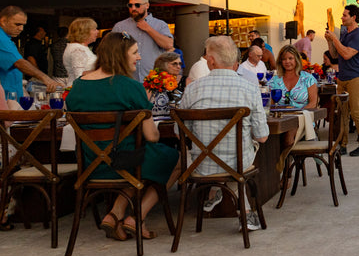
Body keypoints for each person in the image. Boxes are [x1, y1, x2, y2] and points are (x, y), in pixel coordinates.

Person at [65, 32, 180, 240]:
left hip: (91, 163)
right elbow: (152, 136)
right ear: (119, 55)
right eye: (135, 52)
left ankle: (115, 214)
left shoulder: (78, 87)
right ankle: (136, 218)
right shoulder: (131, 87)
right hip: (124, 162)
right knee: (174, 159)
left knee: (135, 157)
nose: (139, 57)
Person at [179, 36, 269, 229]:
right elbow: (262, 136)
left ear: (211, 61)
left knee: (219, 154)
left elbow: (179, 132)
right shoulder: (250, 89)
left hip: (200, 165)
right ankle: (244, 212)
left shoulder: (192, 89)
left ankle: (214, 191)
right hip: (237, 164)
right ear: (235, 62)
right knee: (244, 152)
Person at [324, 5, 359, 156]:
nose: (342, 18)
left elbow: (346, 55)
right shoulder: (345, 34)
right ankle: (342, 144)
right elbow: (335, 55)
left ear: (353, 17)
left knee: (357, 112)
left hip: (356, 77)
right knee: (342, 113)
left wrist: (335, 39)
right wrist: (329, 41)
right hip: (343, 77)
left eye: (344, 15)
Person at [0, 5, 59, 99]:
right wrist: (45, 78)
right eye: (17, 24)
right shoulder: (1, 38)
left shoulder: (7, 38)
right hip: (6, 98)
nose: (21, 29)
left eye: (23, 25)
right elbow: (19, 62)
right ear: (3, 21)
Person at [112, 0, 173, 81]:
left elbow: (168, 44)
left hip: (153, 80)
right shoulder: (120, 26)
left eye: (137, 5)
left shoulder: (160, 25)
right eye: (130, 5)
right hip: (128, 79)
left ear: (147, 5)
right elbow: (111, 50)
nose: (133, 8)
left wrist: (148, 29)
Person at [268, 45, 318, 110]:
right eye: (284, 59)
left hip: (303, 117)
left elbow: (313, 103)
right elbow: (270, 105)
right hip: (282, 118)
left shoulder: (308, 79)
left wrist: (299, 114)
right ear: (280, 61)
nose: (287, 61)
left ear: (296, 59)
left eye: (290, 58)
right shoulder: (274, 81)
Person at [63, 17, 99, 84]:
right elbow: (79, 76)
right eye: (94, 29)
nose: (97, 31)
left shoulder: (81, 47)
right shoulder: (78, 50)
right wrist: (102, 71)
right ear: (84, 32)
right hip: (80, 89)